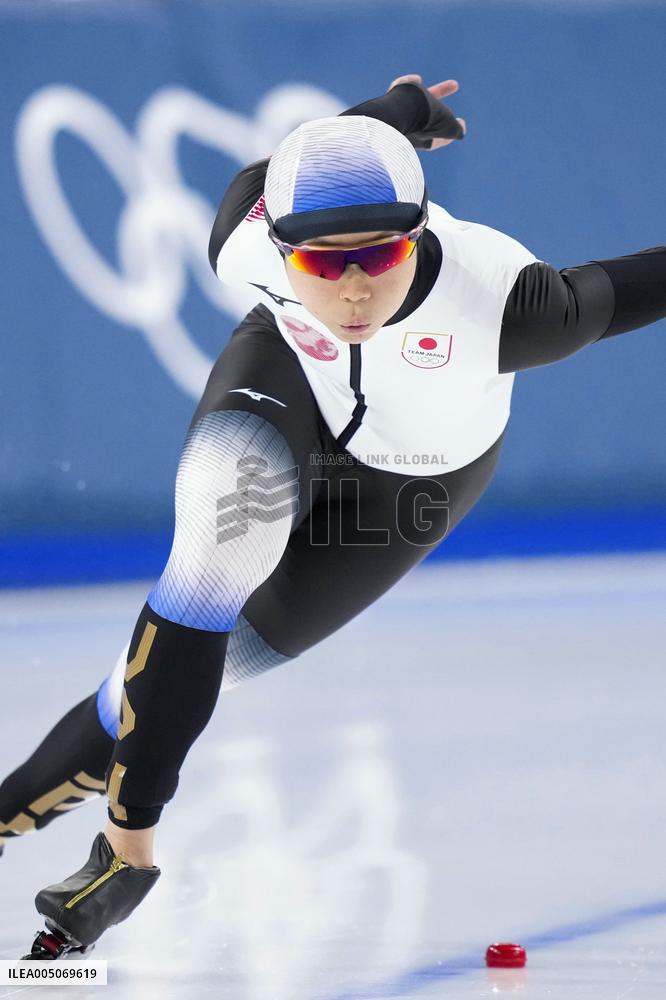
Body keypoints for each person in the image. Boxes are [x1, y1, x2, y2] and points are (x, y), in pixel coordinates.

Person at [3, 72, 665, 958]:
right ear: (275, 249)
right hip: (287, 388)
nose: (352, 290)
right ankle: (128, 855)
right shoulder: (240, 236)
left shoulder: (509, 305)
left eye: (378, 258)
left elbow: (644, 282)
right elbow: (315, 154)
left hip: (414, 481)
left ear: (419, 236)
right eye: (320, 263)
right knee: (210, 555)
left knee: (149, 689)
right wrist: (397, 108)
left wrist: (393, 118)